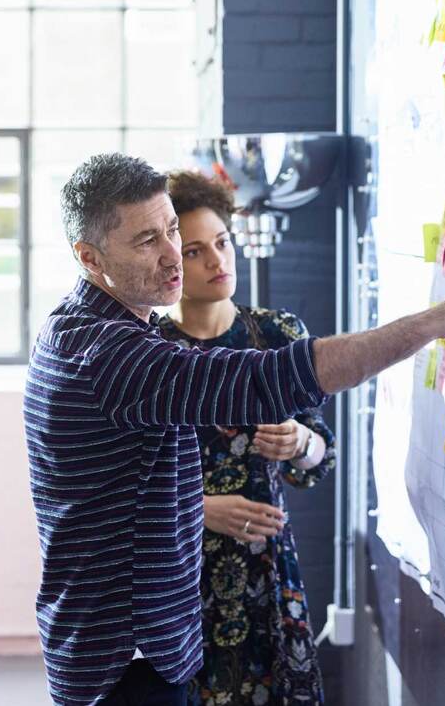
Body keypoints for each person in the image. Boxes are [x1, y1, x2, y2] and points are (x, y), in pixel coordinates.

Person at [24, 153, 445, 706]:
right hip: (127, 657)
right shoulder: (108, 353)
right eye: (148, 242)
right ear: (89, 258)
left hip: (138, 643)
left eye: (171, 232)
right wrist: (434, 322)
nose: (173, 258)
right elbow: (274, 377)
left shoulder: (92, 328)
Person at [157, 171, 332, 705]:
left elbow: (320, 459)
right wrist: (202, 507)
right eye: (194, 251)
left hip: (267, 571)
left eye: (222, 242)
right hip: (179, 575)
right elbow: (122, 486)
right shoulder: (148, 351)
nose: (217, 261)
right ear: (166, 262)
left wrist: (300, 441)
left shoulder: (278, 335)